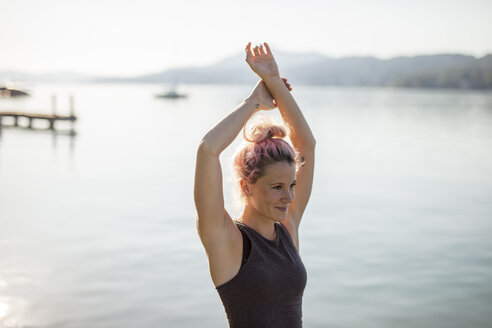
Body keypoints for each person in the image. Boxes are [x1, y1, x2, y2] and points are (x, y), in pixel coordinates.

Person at [193, 42, 316, 328]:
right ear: (247, 187)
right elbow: (208, 150)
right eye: (276, 187)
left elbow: (306, 147)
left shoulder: (287, 228)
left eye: (292, 185)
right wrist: (256, 102)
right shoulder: (226, 240)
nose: (288, 197)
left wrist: (275, 82)